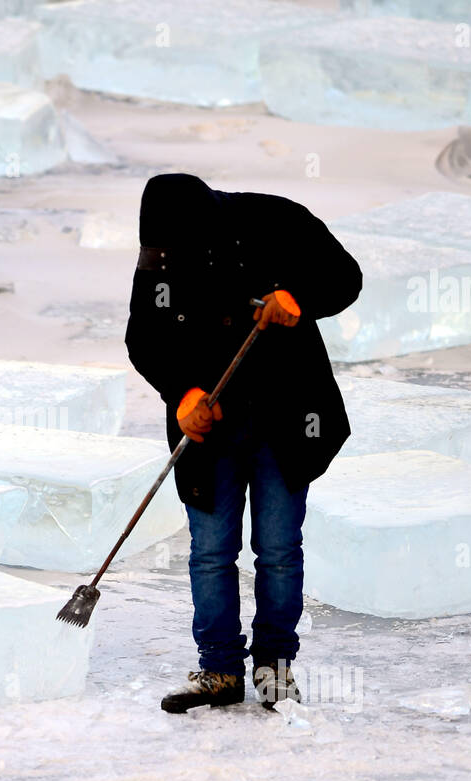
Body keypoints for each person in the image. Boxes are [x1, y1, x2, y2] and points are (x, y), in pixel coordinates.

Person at [124, 173, 363, 714]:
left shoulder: (276, 221)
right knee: (210, 553)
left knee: (278, 551)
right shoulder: (160, 256)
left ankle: (275, 667)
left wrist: (296, 298)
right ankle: (220, 670)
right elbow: (144, 337)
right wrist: (181, 393)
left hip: (284, 416)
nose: (168, 259)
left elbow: (345, 278)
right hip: (210, 427)